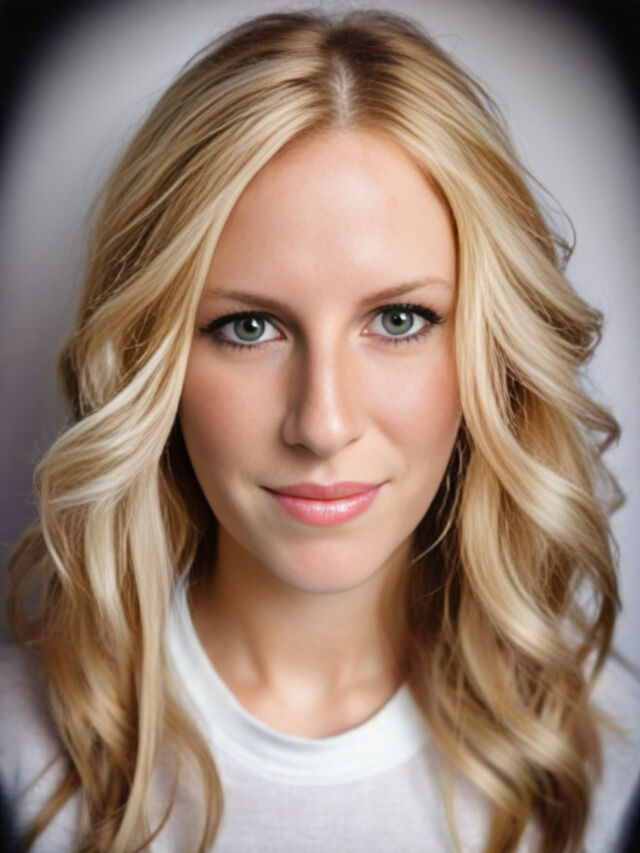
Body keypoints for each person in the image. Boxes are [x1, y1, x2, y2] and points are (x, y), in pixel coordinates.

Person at [1, 7, 639, 853]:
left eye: (400, 319)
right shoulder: (22, 755)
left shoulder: (606, 751)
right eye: (250, 327)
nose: (323, 423)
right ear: (154, 360)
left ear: (492, 352)